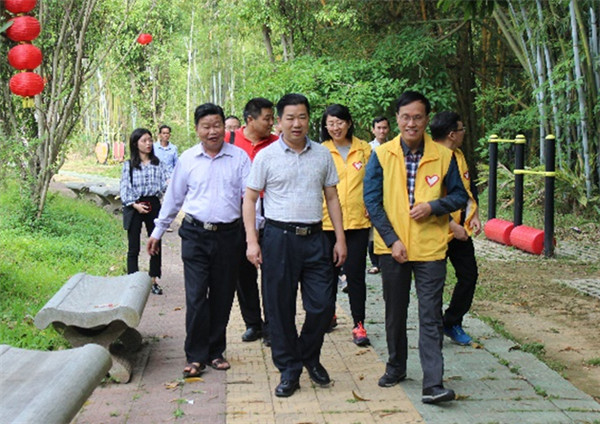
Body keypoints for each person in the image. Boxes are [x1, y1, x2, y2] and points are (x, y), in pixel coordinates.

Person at [363, 91, 468, 404]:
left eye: (418, 117)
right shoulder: (382, 155)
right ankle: (396, 367)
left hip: (431, 247)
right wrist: (391, 239)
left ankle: (433, 384)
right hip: (393, 248)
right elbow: (372, 200)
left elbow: (460, 196)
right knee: (395, 312)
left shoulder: (444, 155)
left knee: (430, 314)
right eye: (406, 117)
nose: (411, 123)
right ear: (397, 118)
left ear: (426, 119)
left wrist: (433, 207)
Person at [243, 93, 347, 398]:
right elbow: (250, 199)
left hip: (316, 238)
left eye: (302, 117)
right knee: (279, 308)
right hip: (278, 238)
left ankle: (308, 354)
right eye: (290, 118)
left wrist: (340, 238)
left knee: (323, 305)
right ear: (279, 121)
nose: (296, 123)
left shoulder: (322, 155)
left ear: (309, 119)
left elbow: (332, 197)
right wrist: (252, 241)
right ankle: (289, 369)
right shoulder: (266, 156)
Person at [147, 103, 251, 378]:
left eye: (217, 125)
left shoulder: (240, 158)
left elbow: (251, 199)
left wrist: (255, 235)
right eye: (206, 126)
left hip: (229, 236)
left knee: (222, 295)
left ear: (224, 127)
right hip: (195, 235)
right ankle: (195, 356)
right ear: (197, 129)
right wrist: (158, 231)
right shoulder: (188, 159)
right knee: (196, 296)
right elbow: (174, 198)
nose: (212, 131)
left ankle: (215, 351)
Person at [224, 97, 279, 345]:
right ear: (250, 120)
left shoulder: (277, 143)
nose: (271, 123)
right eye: (267, 118)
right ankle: (253, 323)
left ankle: (272, 326)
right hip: (239, 212)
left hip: (271, 210)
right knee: (243, 271)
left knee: (272, 272)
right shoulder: (230, 141)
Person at [320, 104, 372, 346]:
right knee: (328, 273)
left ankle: (359, 324)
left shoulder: (364, 149)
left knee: (355, 274)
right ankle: (329, 314)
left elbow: (373, 181)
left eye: (340, 122)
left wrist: (372, 204)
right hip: (327, 223)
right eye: (331, 123)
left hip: (358, 222)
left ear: (349, 123)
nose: (335, 127)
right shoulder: (321, 151)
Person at [430, 111, 481, 346]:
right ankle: (432, 328)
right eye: (461, 129)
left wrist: (474, 215)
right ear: (452, 134)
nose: (463, 133)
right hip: (436, 231)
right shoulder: (431, 157)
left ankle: (451, 322)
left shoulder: (459, 155)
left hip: (461, 231)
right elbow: (427, 198)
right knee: (433, 282)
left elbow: (467, 189)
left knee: (469, 276)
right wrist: (450, 224)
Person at [120, 128, 169, 295]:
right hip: (134, 205)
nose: (148, 144)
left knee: (155, 243)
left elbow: (166, 183)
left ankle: (153, 279)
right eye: (144, 141)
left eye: (150, 140)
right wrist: (135, 205)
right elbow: (125, 187)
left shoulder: (158, 164)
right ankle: (132, 282)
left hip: (153, 203)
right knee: (133, 245)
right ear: (136, 144)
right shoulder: (129, 165)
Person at [367, 116, 391, 275]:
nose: (382, 131)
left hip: (389, 192)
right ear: (373, 130)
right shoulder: (368, 149)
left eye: (384, 128)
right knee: (372, 231)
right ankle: (375, 262)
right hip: (373, 191)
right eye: (379, 128)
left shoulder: (394, 147)